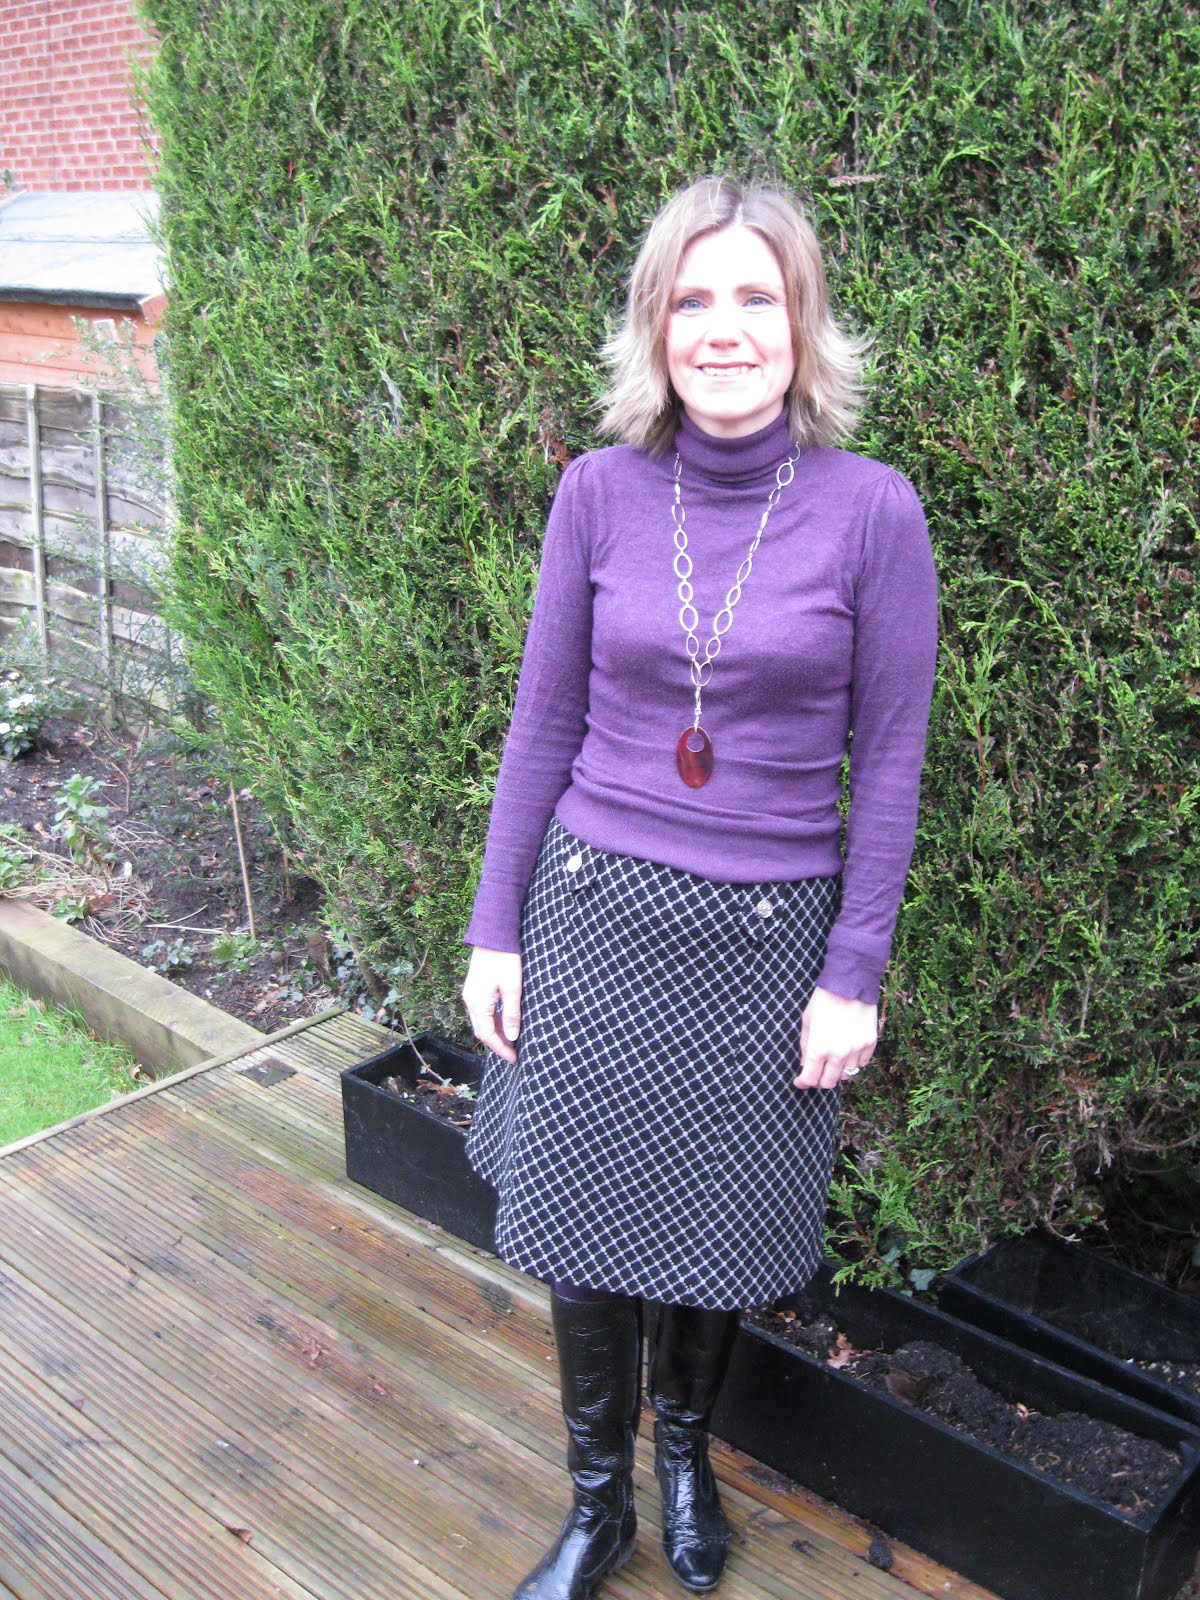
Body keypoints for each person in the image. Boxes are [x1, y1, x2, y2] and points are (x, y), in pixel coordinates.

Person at [460, 175, 938, 1600]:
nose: (722, 329)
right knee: (582, 1221)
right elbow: (541, 726)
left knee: (717, 1227)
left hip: (764, 945)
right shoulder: (597, 495)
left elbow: (891, 763)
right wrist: (495, 930)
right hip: (592, 922)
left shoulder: (873, 512)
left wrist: (853, 971)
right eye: (691, 300)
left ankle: (684, 1461)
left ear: (801, 323)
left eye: (755, 297)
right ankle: (598, 1504)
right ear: (655, 327)